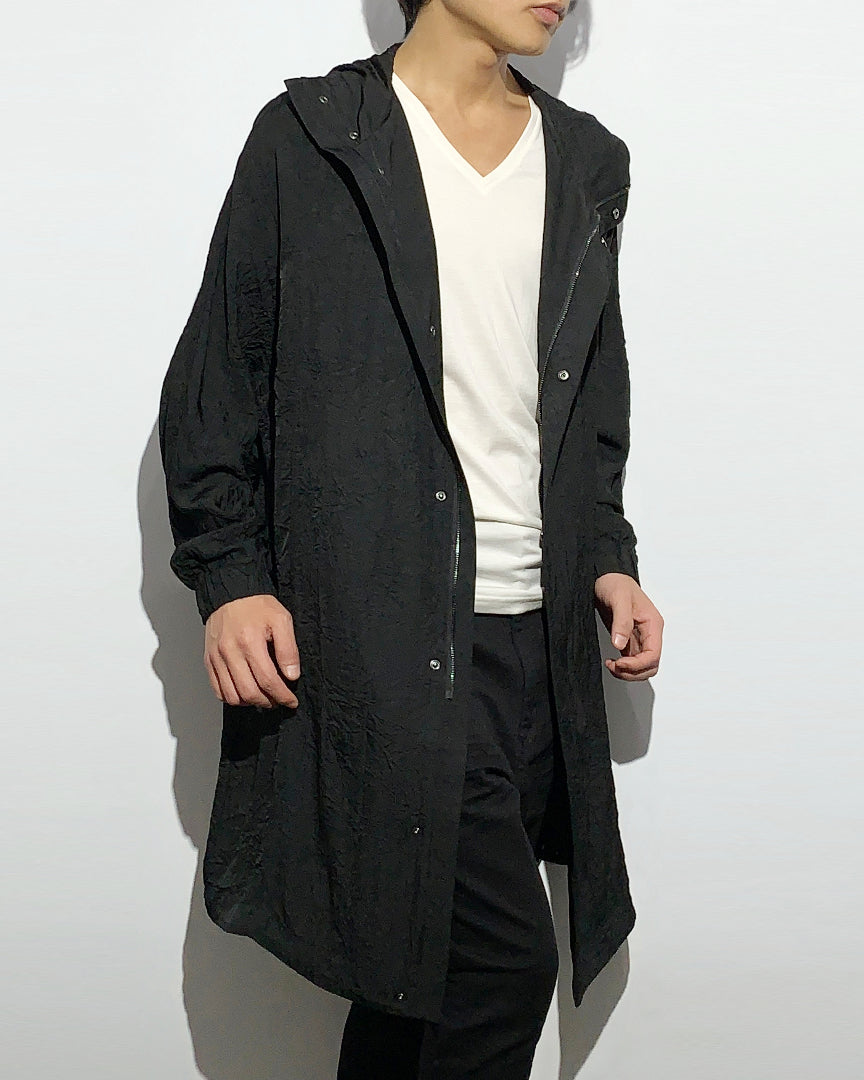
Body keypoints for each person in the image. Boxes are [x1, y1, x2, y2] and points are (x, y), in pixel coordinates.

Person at [158, 1, 663, 1076]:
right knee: (500, 967)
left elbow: (588, 401)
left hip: (539, 643)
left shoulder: (588, 162)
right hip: (384, 636)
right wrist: (231, 575)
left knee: (413, 980)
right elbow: (218, 380)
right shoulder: (314, 138)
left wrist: (611, 557)